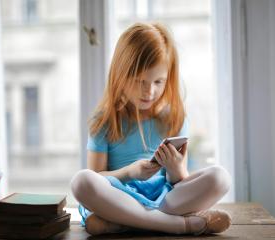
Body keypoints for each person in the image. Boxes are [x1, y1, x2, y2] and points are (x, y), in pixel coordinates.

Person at [70, 22, 232, 236]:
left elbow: (179, 182)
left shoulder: (175, 118)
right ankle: (179, 225)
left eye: (158, 81)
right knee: (81, 181)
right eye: (140, 81)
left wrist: (175, 170)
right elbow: (97, 176)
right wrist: (130, 172)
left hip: (164, 198)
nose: (149, 91)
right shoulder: (105, 121)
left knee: (220, 177)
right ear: (121, 76)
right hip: (120, 196)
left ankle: (128, 222)